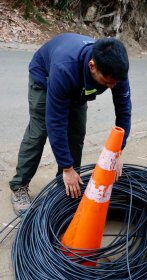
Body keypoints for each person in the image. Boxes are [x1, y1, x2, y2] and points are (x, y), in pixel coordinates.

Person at [9, 33, 132, 216]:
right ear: (92, 66)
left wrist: (118, 150)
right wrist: (67, 167)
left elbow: (124, 110)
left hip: (77, 89)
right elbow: (55, 122)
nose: (113, 86)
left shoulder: (115, 72)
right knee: (39, 132)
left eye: (116, 82)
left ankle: (63, 186)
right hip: (45, 80)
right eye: (108, 83)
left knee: (76, 134)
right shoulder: (64, 69)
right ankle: (19, 186)